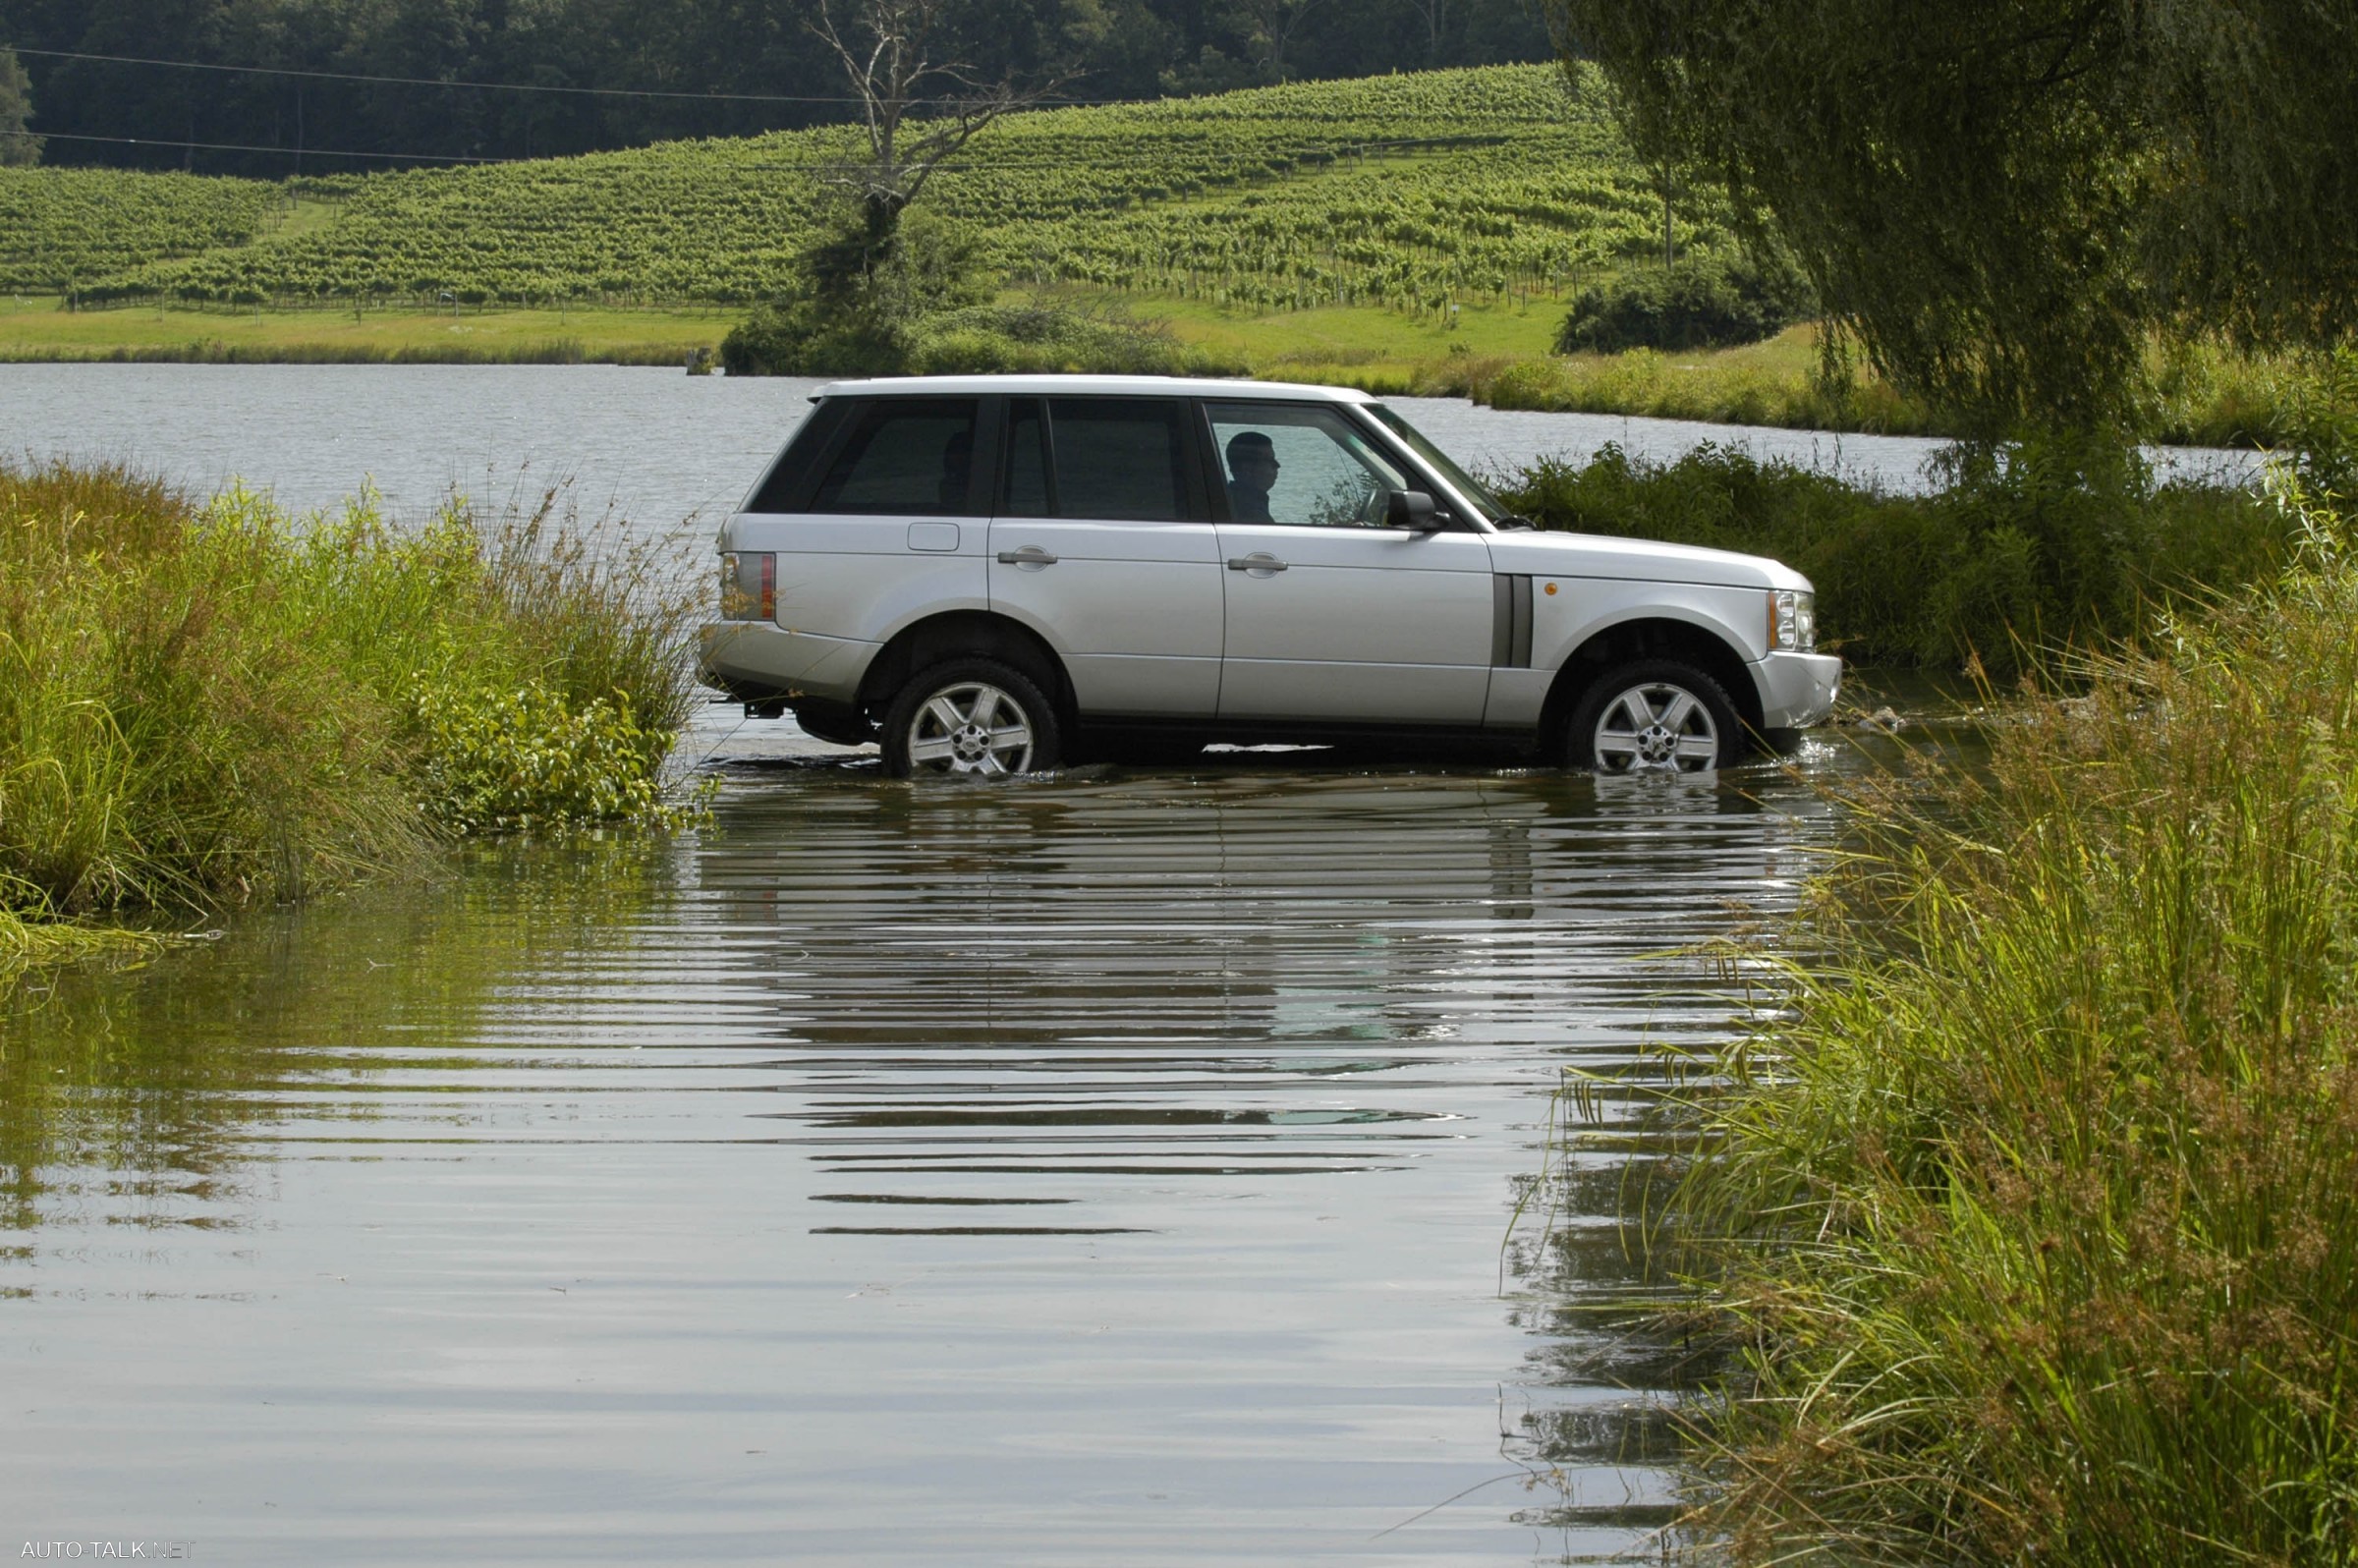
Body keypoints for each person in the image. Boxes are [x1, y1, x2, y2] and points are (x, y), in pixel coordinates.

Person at [1225, 431, 1278, 524]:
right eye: (1269, 460)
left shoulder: (1230, 500)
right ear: (1246, 468)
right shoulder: (1252, 514)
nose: (1277, 465)